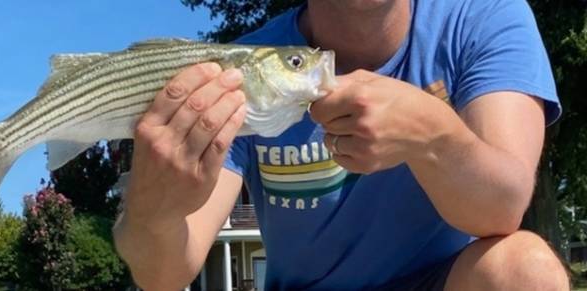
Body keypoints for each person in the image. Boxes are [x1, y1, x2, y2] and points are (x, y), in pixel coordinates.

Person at [113, 0, 570, 290]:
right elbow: (164, 275)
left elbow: (501, 209)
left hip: (443, 280)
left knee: (525, 271)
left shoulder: (484, 17)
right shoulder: (242, 68)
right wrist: (153, 208)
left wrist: (431, 135)